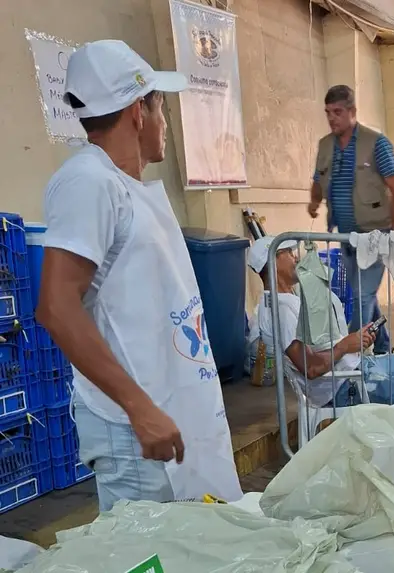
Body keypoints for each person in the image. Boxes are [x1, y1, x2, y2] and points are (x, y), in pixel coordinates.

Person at [36, 40, 242, 511]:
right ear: (136, 111)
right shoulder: (89, 182)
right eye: (160, 106)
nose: (164, 121)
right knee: (150, 556)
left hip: (169, 413)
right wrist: (139, 407)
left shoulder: (124, 186)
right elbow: (56, 305)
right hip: (135, 436)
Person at [249, 237, 394, 434]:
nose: (296, 257)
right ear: (273, 262)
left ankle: (390, 429)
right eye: (289, 253)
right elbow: (310, 367)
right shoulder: (280, 310)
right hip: (343, 385)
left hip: (356, 366)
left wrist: (354, 341)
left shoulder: (292, 296)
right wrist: (345, 346)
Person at [308, 85, 394, 355]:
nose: (332, 118)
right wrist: (314, 202)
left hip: (374, 235)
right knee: (366, 295)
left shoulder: (377, 144)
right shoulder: (325, 145)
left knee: (362, 296)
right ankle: (384, 346)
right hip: (346, 236)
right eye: (328, 113)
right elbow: (318, 179)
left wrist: (393, 235)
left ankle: (351, 357)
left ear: (352, 112)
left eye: (337, 112)